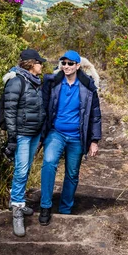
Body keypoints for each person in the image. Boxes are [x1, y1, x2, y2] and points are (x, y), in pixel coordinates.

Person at [38, 50, 102, 226]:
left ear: (78, 66)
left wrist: (94, 141)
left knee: (72, 173)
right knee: (49, 163)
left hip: (77, 136)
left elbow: (95, 115)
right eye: (63, 63)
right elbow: (43, 108)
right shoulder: (53, 83)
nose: (66, 66)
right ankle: (45, 206)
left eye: (70, 63)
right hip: (56, 133)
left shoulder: (88, 86)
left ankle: (65, 210)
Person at [3, 48, 47, 237]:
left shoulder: (35, 82)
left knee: (25, 168)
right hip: (22, 134)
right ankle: (17, 211)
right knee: (21, 170)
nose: (41, 66)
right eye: (39, 62)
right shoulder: (16, 81)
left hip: (34, 133)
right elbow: (9, 112)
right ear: (30, 64)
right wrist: (12, 138)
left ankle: (16, 199)